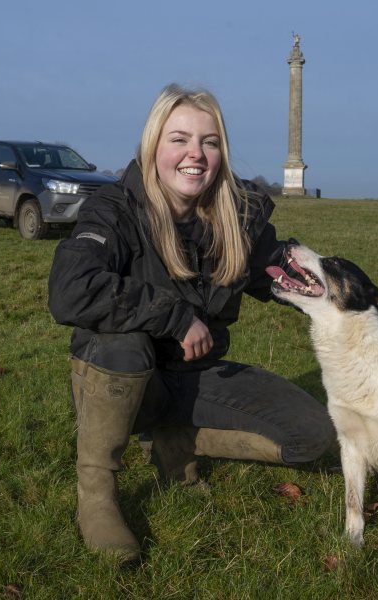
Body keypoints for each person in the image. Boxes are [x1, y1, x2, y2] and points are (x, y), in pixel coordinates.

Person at [48, 84, 335, 563]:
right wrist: (175, 316)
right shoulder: (115, 210)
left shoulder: (237, 218)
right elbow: (70, 288)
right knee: (125, 341)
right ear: (153, 145)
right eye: (179, 139)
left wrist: (333, 292)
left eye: (210, 141)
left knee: (313, 436)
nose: (195, 155)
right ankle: (96, 494)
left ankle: (175, 439)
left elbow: (274, 272)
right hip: (122, 383)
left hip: (193, 377)